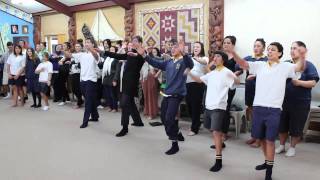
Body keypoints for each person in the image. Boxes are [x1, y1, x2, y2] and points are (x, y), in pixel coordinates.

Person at [230, 42, 305, 180]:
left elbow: (300, 67)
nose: (269, 52)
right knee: (261, 139)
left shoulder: (285, 67)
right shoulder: (260, 65)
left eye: (273, 50)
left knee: (270, 140)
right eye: (269, 49)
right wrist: (233, 53)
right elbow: (244, 64)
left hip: (274, 109)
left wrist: (302, 55)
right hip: (258, 107)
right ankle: (267, 161)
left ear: (280, 53)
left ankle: (269, 172)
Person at [136, 40, 194, 155]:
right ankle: (177, 132)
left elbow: (190, 64)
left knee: (169, 118)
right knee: (163, 118)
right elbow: (154, 63)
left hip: (177, 95)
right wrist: (144, 55)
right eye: (171, 47)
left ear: (180, 49)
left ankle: (174, 143)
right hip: (167, 93)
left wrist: (184, 53)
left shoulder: (183, 61)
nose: (172, 49)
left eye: (175, 47)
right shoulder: (168, 62)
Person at [189, 51, 239, 172]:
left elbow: (235, 83)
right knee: (213, 129)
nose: (215, 58)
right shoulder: (212, 73)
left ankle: (218, 161)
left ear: (223, 59)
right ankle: (221, 142)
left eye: (218, 56)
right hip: (209, 106)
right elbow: (200, 80)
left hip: (219, 106)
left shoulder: (226, 71)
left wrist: (235, 77)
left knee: (215, 132)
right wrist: (188, 72)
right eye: (214, 56)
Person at [276, 41, 319, 157]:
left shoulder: (308, 65)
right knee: (282, 125)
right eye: (291, 48)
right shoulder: (285, 64)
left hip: (300, 102)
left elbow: (313, 83)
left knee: (296, 126)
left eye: (295, 48)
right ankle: (281, 145)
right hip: (283, 101)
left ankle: (292, 147)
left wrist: (299, 82)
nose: (292, 51)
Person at [99, 36, 146, 137]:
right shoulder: (130, 53)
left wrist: (137, 54)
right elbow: (118, 56)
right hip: (125, 81)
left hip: (132, 83)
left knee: (124, 104)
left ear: (140, 43)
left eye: (135, 41)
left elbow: (142, 59)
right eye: (132, 41)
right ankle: (138, 121)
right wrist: (104, 52)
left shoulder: (142, 53)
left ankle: (124, 128)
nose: (133, 42)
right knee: (131, 103)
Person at [66, 38, 100, 128]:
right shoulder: (81, 54)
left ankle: (85, 121)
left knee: (88, 101)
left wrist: (91, 49)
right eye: (86, 42)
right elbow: (69, 55)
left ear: (93, 44)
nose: (86, 44)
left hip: (91, 80)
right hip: (83, 80)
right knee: (90, 98)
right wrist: (63, 49)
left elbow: (96, 57)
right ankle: (95, 116)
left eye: (88, 42)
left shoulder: (95, 53)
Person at [240, 38, 268, 148]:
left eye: (258, 46)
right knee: (252, 115)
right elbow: (240, 65)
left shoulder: (266, 60)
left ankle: (260, 139)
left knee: (259, 115)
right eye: (254, 46)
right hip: (250, 89)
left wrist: (256, 75)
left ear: (263, 48)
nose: (256, 48)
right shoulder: (248, 58)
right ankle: (254, 136)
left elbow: (269, 73)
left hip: (261, 90)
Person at [186, 42, 208, 136]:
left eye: (198, 47)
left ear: (201, 48)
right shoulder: (189, 58)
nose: (195, 48)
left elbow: (205, 63)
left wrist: (197, 59)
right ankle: (197, 123)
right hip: (187, 83)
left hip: (198, 84)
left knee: (195, 106)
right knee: (189, 106)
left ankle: (194, 128)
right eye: (194, 46)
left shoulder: (204, 58)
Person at [141, 47, 161, 120]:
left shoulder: (157, 59)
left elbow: (160, 68)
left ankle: (152, 113)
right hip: (144, 78)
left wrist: (156, 73)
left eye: (155, 51)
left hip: (152, 78)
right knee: (146, 95)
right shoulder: (145, 59)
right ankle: (147, 111)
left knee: (151, 96)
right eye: (152, 51)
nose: (153, 53)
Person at [102, 46, 119, 112]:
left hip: (112, 77)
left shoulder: (116, 58)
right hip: (106, 77)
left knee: (113, 94)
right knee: (107, 94)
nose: (111, 51)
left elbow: (117, 70)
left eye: (113, 50)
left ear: (115, 51)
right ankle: (110, 106)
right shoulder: (107, 58)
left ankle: (115, 108)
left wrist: (115, 79)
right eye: (110, 50)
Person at [70, 42, 84, 108]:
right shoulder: (74, 54)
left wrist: (76, 63)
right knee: (74, 89)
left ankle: (79, 103)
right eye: (76, 46)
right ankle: (80, 100)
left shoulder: (83, 54)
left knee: (78, 89)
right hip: (73, 73)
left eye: (78, 46)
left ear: (81, 47)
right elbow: (72, 63)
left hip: (80, 73)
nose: (77, 47)